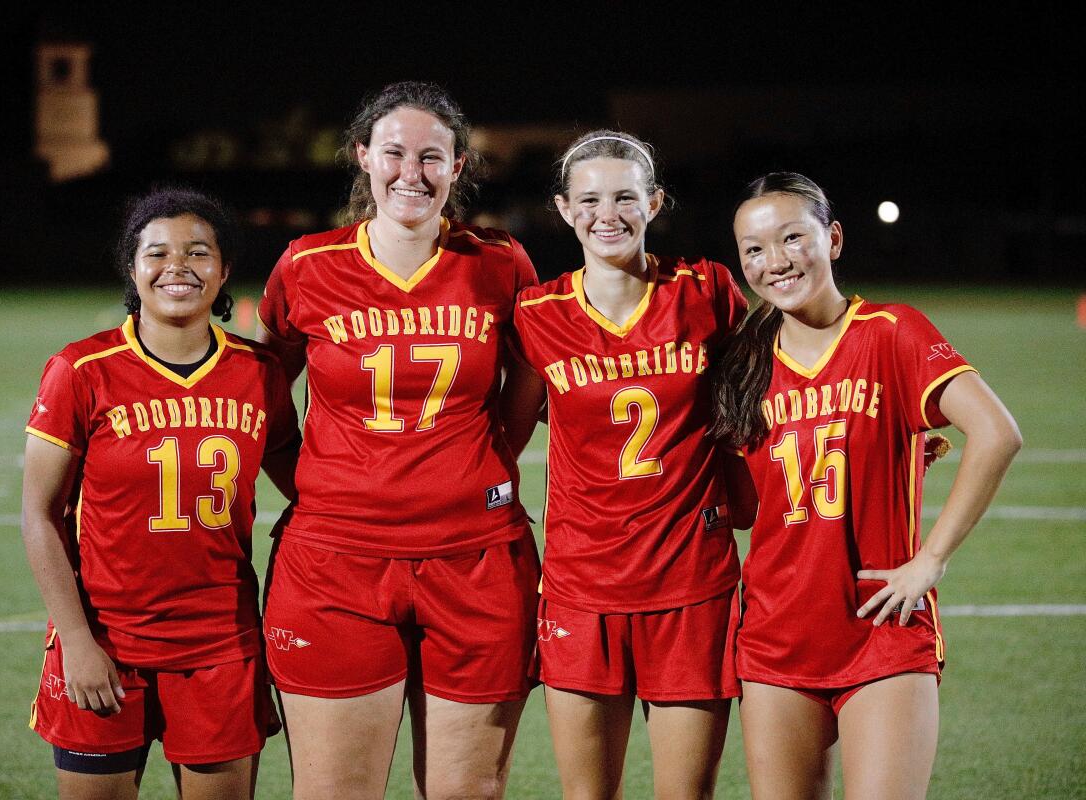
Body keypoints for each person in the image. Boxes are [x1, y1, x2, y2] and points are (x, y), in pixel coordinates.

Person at [256, 82, 544, 799]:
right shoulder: (308, 265)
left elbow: (527, 387)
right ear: (363, 157)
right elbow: (259, 396)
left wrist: (484, 467)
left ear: (457, 165)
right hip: (335, 565)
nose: (410, 172)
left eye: (430, 157)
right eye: (393, 153)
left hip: (476, 561)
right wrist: (313, 483)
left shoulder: (500, 264)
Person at [712, 172, 1022, 800]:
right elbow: (749, 507)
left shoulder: (892, 330)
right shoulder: (745, 364)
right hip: (776, 634)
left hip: (882, 626)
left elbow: (997, 433)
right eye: (753, 249)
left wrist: (929, 559)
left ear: (833, 237)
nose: (775, 261)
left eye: (793, 238)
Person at [22, 187, 299, 799]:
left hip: (221, 647)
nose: (178, 266)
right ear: (133, 268)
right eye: (157, 253)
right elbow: (40, 515)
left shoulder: (261, 373)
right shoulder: (82, 369)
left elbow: (308, 486)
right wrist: (76, 642)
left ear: (224, 271)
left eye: (199, 252)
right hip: (106, 641)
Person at [510, 130, 754, 799]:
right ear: (565, 208)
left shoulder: (706, 290)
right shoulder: (538, 312)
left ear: (654, 202)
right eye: (589, 199)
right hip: (581, 584)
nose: (606, 213)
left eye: (625, 196)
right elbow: (500, 432)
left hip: (691, 580)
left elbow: (769, 395)